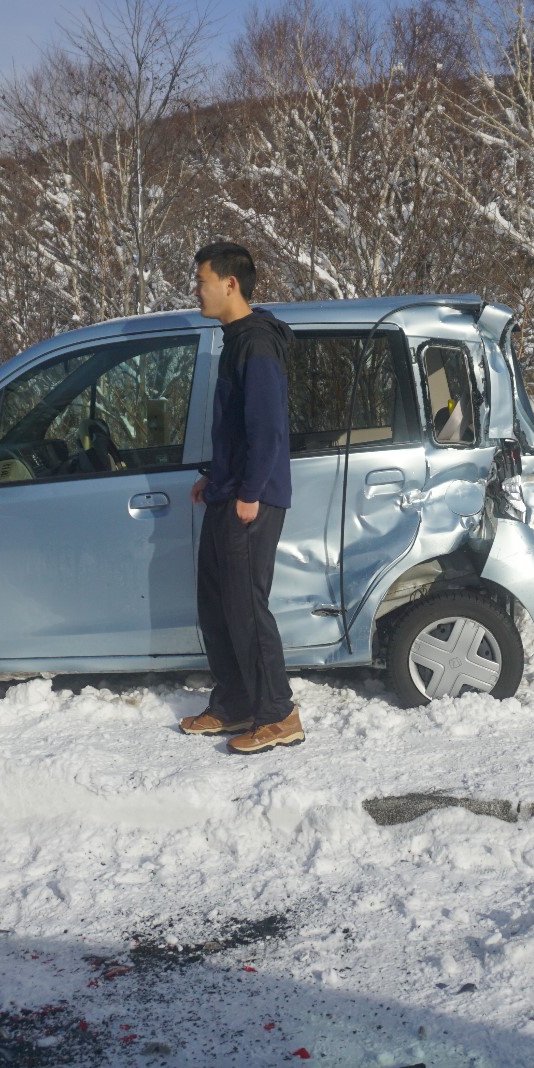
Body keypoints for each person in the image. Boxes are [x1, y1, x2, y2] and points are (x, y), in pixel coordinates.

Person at [179, 242, 303, 754]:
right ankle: (233, 703)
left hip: (252, 498)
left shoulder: (256, 344)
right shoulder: (234, 340)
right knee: (217, 602)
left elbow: (269, 429)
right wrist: (219, 476)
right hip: (230, 491)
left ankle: (278, 714)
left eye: (202, 280)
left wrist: (249, 491)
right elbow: (237, 428)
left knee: (247, 607)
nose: (197, 290)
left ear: (230, 284)